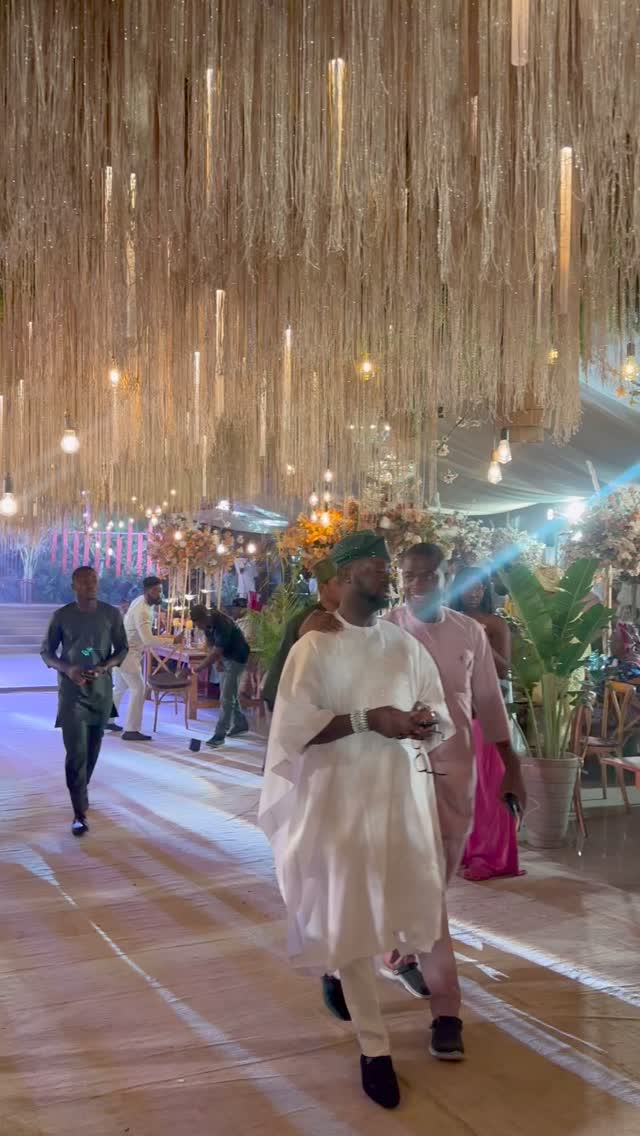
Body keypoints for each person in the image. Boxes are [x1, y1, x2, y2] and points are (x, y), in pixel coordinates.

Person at [303, 543, 526, 1053]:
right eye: (410, 575)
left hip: (458, 773)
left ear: (449, 577)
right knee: (418, 885)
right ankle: (445, 1009)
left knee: (436, 879)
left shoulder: (470, 632)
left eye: (429, 575)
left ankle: (396, 954)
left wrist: (511, 766)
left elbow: (489, 703)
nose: (418, 584)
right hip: (399, 772)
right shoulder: (385, 631)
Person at [259, 531, 454, 1110]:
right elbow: (293, 728)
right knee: (349, 916)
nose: (386, 572)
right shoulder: (314, 648)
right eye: (374, 565)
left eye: (386, 564)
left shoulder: (404, 645)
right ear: (343, 578)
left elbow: (438, 710)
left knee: (391, 907)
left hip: (397, 800)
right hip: (337, 805)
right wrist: (370, 719)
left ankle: (345, 976)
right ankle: (375, 1048)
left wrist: (423, 722)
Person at [40, 566, 128, 836]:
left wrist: (104, 667)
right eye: (84, 581)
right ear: (73, 586)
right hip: (72, 694)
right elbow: (46, 652)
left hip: (101, 692)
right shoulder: (62, 616)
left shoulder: (111, 614)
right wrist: (68, 669)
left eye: (94, 580)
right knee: (76, 753)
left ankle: (81, 791)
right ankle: (79, 812)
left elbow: (122, 649)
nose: (91, 585)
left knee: (92, 751)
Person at [451, 566, 524, 882]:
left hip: (486, 710)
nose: (474, 592)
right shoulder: (447, 621)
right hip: (456, 711)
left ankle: (492, 855)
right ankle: (464, 850)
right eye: (469, 587)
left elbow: (505, 669)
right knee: (461, 786)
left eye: (480, 587)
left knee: (489, 786)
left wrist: (479, 639)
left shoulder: (494, 623)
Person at [261, 558, 341, 711]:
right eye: (339, 583)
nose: (346, 588)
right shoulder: (305, 620)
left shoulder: (350, 618)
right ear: (323, 588)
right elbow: (286, 662)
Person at [108, 575, 179, 742]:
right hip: (127, 654)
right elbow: (148, 640)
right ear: (148, 591)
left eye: (161, 591)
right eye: (157, 591)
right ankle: (131, 730)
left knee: (120, 688)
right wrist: (172, 641)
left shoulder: (140, 601)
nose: (160, 594)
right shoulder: (142, 610)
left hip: (119, 650)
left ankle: (106, 720)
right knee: (138, 689)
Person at [190, 604, 250, 748]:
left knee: (226, 697)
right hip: (225, 656)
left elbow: (216, 652)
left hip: (237, 657)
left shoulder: (223, 623)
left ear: (205, 618)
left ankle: (219, 735)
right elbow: (211, 644)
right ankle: (240, 723)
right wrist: (218, 662)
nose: (199, 628)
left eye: (199, 624)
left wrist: (198, 669)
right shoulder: (207, 623)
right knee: (228, 693)